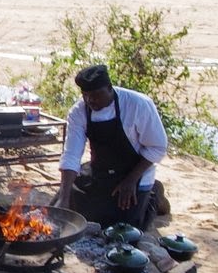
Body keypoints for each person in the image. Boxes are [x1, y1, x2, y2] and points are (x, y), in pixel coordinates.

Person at [52, 64, 168, 229]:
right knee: (71, 211)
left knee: (125, 227)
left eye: (96, 95)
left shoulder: (138, 105)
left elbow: (158, 147)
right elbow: (71, 154)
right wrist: (64, 198)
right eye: (85, 95)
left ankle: (154, 195)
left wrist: (131, 180)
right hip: (100, 170)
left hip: (135, 172)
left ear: (109, 88)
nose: (90, 100)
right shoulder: (78, 112)